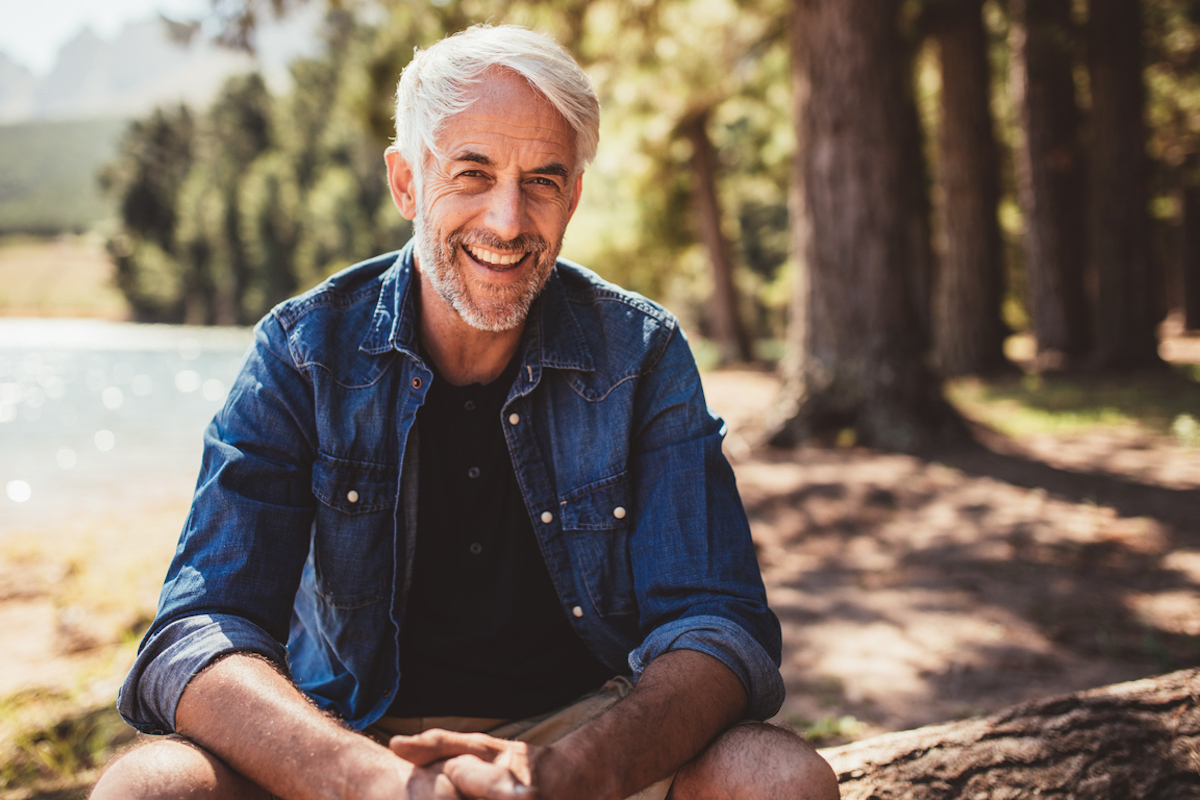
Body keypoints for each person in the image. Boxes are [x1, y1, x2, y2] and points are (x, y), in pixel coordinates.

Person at [92, 23, 840, 800]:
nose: (509, 221)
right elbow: (200, 629)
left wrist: (559, 776)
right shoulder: (303, 352)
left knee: (776, 779)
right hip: (346, 739)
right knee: (150, 787)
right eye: (473, 173)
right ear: (406, 181)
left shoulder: (641, 353)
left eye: (543, 180)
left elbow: (718, 626)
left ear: (574, 196)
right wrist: (377, 783)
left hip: (587, 737)